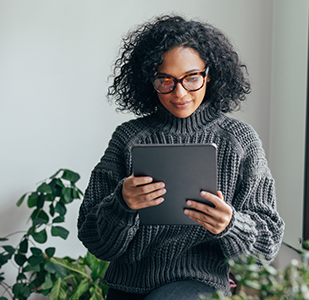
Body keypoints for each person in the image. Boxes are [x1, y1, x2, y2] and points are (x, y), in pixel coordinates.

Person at [77, 15, 285, 300]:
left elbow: (267, 244)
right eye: (165, 80)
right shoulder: (128, 138)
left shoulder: (239, 140)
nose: (179, 93)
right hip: (127, 286)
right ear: (149, 79)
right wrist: (122, 205)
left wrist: (230, 225)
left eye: (191, 79)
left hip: (198, 283)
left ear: (208, 75)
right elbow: (94, 239)